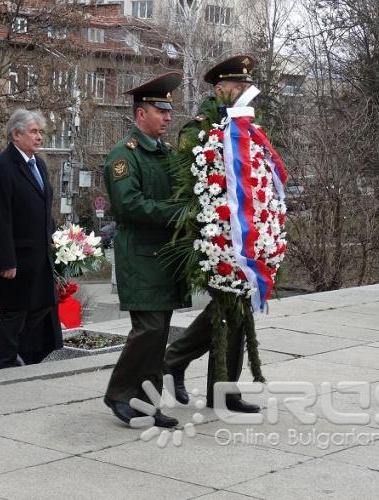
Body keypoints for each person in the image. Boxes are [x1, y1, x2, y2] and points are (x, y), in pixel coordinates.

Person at [164, 55, 262, 414]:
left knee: (235, 306)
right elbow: (187, 184)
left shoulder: (246, 125)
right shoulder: (199, 128)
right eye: (239, 89)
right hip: (211, 232)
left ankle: (191, 369)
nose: (245, 95)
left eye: (247, 89)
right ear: (220, 89)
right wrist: (210, 231)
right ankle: (210, 382)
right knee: (228, 306)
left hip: (242, 231)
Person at [102, 73, 187, 428]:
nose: (168, 117)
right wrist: (176, 213)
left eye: (169, 111)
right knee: (148, 329)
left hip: (164, 256)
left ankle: (147, 402)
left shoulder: (165, 153)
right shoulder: (125, 155)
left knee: (159, 331)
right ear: (141, 114)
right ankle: (119, 393)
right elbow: (128, 205)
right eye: (160, 110)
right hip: (139, 255)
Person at [0, 109, 60, 369]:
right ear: (16, 134)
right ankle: (5, 362)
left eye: (41, 132)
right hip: (17, 255)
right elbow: (0, 218)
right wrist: (6, 260)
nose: (39, 137)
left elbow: (43, 206)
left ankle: (9, 347)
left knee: (45, 304)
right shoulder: (1, 166)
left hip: (39, 254)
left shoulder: (40, 164)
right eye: (34, 132)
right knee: (16, 311)